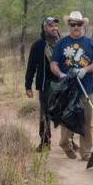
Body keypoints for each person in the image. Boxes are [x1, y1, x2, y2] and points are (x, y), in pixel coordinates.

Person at [50, 11, 93, 160]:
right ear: (69, 26)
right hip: (67, 90)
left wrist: (85, 70)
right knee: (67, 121)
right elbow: (54, 64)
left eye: (79, 24)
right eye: (73, 24)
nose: (76, 27)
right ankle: (65, 144)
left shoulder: (91, 43)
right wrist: (61, 74)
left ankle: (85, 153)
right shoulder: (61, 43)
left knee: (86, 123)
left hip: (87, 89)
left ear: (83, 25)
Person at [25, 17, 60, 152]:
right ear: (44, 27)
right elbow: (31, 66)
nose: (54, 28)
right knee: (45, 114)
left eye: (56, 25)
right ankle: (45, 142)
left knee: (67, 112)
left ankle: (68, 142)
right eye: (50, 25)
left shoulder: (63, 43)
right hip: (45, 84)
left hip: (62, 83)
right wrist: (28, 85)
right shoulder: (38, 45)